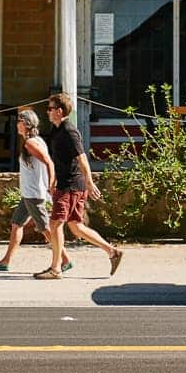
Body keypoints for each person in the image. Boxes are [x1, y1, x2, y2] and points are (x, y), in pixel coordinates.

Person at [39, 93, 124, 280]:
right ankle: (112, 252)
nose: (47, 112)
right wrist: (53, 180)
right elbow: (59, 159)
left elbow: (82, 157)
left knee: (55, 224)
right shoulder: (56, 130)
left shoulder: (70, 131)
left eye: (50, 108)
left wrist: (89, 181)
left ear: (59, 111)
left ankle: (56, 269)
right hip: (65, 184)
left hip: (71, 185)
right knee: (76, 227)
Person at [0, 108, 67, 273]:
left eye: (19, 121)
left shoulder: (31, 143)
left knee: (45, 229)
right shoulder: (37, 140)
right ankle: (5, 261)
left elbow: (49, 162)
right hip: (28, 194)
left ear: (26, 124)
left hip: (33, 195)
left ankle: (65, 260)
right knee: (16, 224)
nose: (17, 124)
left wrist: (51, 183)